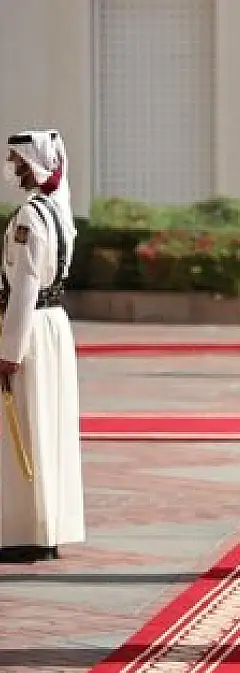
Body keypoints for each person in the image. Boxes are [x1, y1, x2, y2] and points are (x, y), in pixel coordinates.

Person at [0, 130, 83, 563]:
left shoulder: (31, 216)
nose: (14, 169)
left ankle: (25, 532)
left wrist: (9, 351)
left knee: (27, 428)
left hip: (31, 327)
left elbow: (24, 286)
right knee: (49, 426)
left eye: (19, 162)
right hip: (53, 326)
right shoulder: (58, 212)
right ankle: (47, 528)